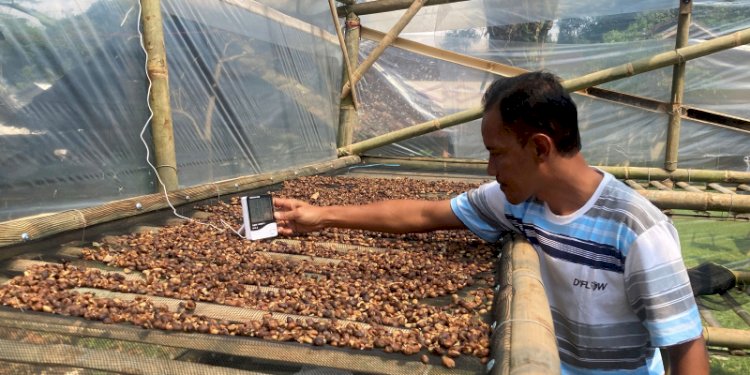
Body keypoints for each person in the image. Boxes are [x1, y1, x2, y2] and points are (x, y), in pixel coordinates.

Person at [273, 71, 709, 374]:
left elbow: (685, 348)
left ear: (540, 147)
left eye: (496, 153)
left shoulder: (637, 230)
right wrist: (322, 216)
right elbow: (426, 214)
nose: (488, 169)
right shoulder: (517, 201)